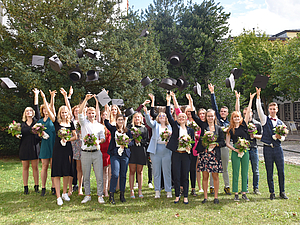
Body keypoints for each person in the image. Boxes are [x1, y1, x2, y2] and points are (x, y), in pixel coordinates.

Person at [41, 90, 77, 206]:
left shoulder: (71, 123)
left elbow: (75, 136)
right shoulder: (56, 122)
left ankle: (65, 193)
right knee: (56, 172)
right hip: (57, 150)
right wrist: (44, 98)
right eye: (62, 113)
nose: (64, 114)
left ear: (68, 113)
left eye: (66, 112)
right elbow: (49, 110)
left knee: (66, 172)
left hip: (67, 150)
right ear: (60, 114)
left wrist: (67, 139)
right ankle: (58, 196)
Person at [187, 94, 225, 204]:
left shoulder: (218, 129)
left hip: (215, 155)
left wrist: (216, 144)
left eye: (211, 116)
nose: (210, 118)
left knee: (215, 176)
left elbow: (222, 142)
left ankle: (216, 197)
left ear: (214, 117)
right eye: (208, 116)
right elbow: (194, 115)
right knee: (205, 176)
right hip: (204, 154)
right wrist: (191, 101)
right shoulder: (203, 126)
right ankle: (205, 197)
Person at [256, 87, 288, 200]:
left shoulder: (280, 122)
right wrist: (258, 97)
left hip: (278, 148)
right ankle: (272, 192)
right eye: (271, 108)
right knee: (269, 171)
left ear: (277, 109)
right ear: (268, 109)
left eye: (274, 109)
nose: (272, 110)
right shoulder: (265, 120)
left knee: (281, 171)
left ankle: (282, 192)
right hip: (267, 148)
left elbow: (284, 136)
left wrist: (281, 137)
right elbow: (259, 109)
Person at [225, 92, 256, 201]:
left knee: (244, 171)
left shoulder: (244, 125)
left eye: (238, 117)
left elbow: (245, 113)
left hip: (245, 151)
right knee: (235, 171)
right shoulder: (230, 129)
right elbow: (227, 143)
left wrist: (251, 99)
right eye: (235, 117)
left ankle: (244, 192)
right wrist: (235, 149)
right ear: (232, 119)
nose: (237, 118)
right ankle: (236, 193)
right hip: (235, 151)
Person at [166, 93, 195, 204]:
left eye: (183, 117)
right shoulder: (175, 127)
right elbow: (169, 115)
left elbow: (192, 142)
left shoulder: (190, 130)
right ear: (177, 119)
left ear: (186, 119)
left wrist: (189, 145)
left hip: (186, 155)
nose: (181, 118)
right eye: (179, 117)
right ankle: (177, 195)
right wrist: (168, 101)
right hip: (176, 154)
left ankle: (186, 196)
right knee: (176, 175)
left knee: (185, 175)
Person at [79, 94, 106, 204]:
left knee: (99, 175)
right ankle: (87, 195)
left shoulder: (99, 125)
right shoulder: (83, 122)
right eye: (89, 113)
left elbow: (103, 138)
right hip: (85, 152)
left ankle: (100, 195)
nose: (91, 115)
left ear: (95, 114)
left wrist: (98, 141)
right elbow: (80, 112)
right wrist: (86, 99)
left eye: (93, 113)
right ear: (87, 114)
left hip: (96, 152)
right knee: (86, 175)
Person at [235, 91, 262, 195]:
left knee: (255, 170)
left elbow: (261, 136)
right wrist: (237, 99)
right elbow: (236, 110)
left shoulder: (257, 124)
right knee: (244, 170)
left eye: (248, 113)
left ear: (252, 113)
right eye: (244, 113)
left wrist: (254, 135)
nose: (246, 115)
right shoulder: (242, 124)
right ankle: (244, 188)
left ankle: (256, 188)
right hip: (244, 149)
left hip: (254, 148)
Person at [144, 102, 172, 199]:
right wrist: (146, 114)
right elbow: (149, 122)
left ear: (166, 117)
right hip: (155, 150)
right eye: (160, 115)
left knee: (167, 171)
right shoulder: (155, 124)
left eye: (164, 115)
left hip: (166, 151)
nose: (162, 117)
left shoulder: (170, 127)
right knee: (156, 172)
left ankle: (168, 191)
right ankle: (157, 191)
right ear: (158, 117)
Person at [104, 113, 133, 204]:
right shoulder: (113, 129)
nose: (120, 121)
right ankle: (111, 195)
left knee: (123, 175)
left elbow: (131, 142)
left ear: (124, 121)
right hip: (115, 154)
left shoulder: (127, 131)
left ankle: (122, 194)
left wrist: (126, 144)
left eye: (122, 119)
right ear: (116, 121)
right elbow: (106, 123)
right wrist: (107, 111)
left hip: (124, 154)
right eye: (119, 119)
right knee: (115, 174)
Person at [208, 83, 231, 195]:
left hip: (224, 147)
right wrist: (212, 93)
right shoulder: (217, 120)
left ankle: (227, 186)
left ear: (227, 113)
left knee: (225, 168)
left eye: (224, 111)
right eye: (221, 111)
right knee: (214, 167)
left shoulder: (229, 123)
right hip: (215, 147)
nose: (222, 112)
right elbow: (214, 106)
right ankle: (212, 187)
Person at [19, 88, 41, 194]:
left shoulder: (36, 122)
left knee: (35, 167)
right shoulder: (21, 125)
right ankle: (26, 187)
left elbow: (37, 108)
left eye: (30, 111)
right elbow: (20, 134)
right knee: (25, 168)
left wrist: (36, 95)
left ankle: (36, 186)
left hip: (34, 146)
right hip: (24, 147)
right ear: (25, 113)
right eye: (27, 111)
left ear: (33, 113)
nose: (29, 112)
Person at [38, 90, 57, 196]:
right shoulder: (40, 121)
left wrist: (51, 97)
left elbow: (52, 106)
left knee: (53, 165)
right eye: (44, 108)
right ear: (42, 110)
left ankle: (54, 187)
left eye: (48, 108)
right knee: (44, 166)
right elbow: (37, 133)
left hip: (53, 143)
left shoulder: (53, 118)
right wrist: (40, 134)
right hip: (45, 145)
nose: (46, 110)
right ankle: (43, 187)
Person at [127, 112, 149, 198]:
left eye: (138, 117)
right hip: (132, 150)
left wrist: (140, 141)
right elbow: (127, 138)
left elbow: (147, 141)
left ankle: (140, 190)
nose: (137, 119)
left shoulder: (144, 128)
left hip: (141, 150)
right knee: (132, 171)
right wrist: (133, 141)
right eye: (135, 117)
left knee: (140, 171)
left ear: (141, 119)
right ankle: (131, 190)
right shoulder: (130, 127)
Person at [99, 109, 111, 197]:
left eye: (106, 115)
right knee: (99, 172)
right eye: (103, 115)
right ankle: (100, 190)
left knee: (106, 172)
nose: (104, 116)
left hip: (107, 151)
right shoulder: (98, 125)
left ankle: (105, 189)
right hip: (99, 150)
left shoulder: (110, 126)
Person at [196, 108, 206, 193]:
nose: (202, 115)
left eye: (203, 113)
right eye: (200, 114)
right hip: (196, 147)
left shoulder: (207, 125)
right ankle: (199, 187)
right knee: (197, 168)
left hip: (205, 148)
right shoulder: (196, 124)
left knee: (205, 169)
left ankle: (207, 186)